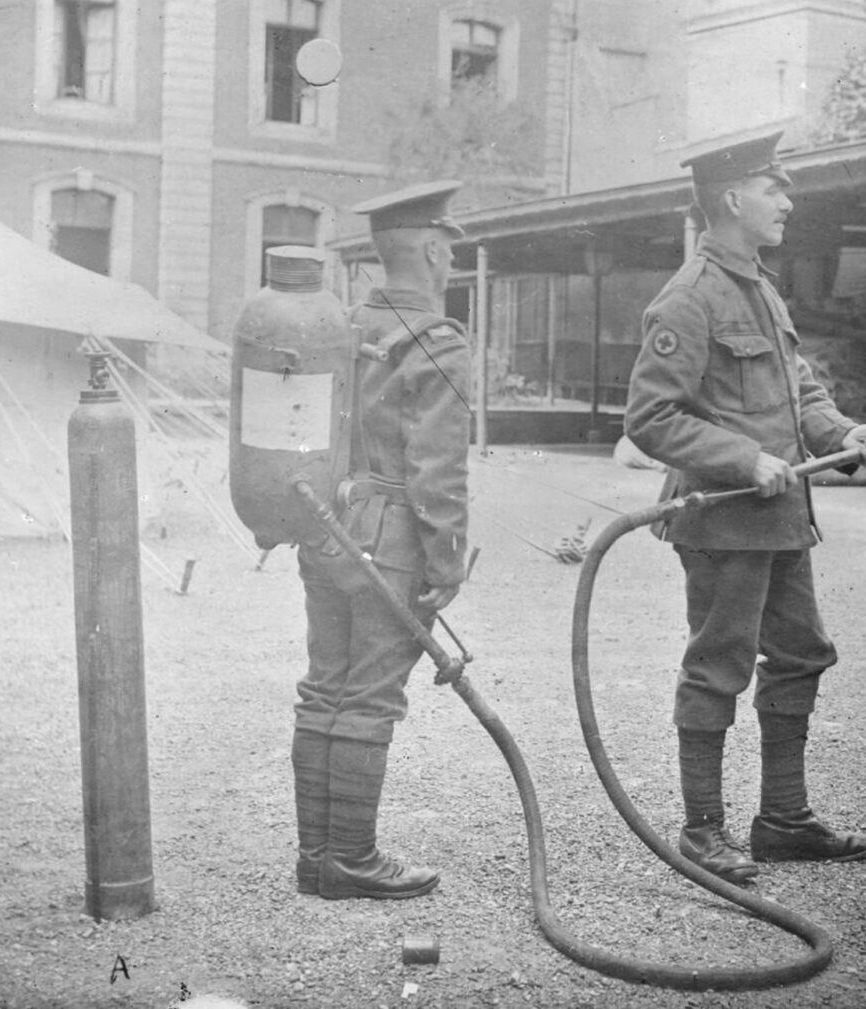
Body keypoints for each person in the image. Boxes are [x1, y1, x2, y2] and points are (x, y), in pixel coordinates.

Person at [624, 133, 866, 884]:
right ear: (731, 199)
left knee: (803, 653)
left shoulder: (763, 288)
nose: (787, 201)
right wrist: (743, 458)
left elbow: (798, 392)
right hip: (722, 519)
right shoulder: (688, 296)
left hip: (781, 520)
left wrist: (845, 433)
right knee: (718, 666)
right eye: (773, 187)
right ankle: (702, 832)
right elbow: (651, 418)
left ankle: (783, 820)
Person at [291, 181, 472, 900]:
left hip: (324, 528)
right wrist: (447, 561)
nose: (451, 259)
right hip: (392, 538)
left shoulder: (339, 325)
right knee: (368, 696)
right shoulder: (438, 339)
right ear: (431, 249)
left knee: (324, 687)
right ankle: (352, 859)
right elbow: (439, 469)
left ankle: (317, 855)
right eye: (449, 247)